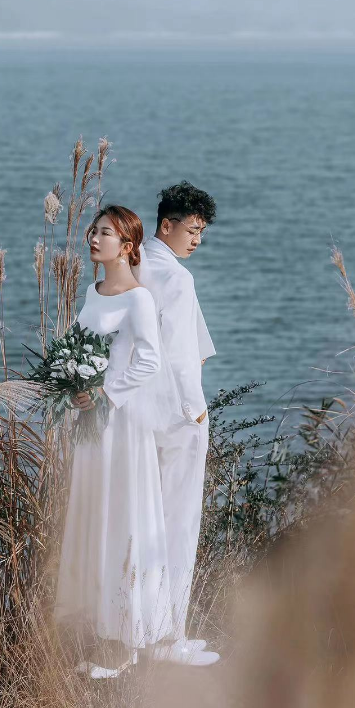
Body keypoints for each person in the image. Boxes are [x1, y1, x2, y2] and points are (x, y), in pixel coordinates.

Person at [53, 205, 174, 679]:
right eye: (93, 231)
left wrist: (107, 392)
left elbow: (150, 361)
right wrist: (74, 384)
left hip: (121, 424)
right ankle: (102, 629)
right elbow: (78, 346)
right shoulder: (93, 292)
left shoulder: (138, 299)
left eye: (105, 233)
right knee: (94, 510)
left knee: (122, 513)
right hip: (92, 424)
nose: (94, 238)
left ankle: (126, 643)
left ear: (127, 246)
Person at [134, 181, 221, 666]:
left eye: (201, 232)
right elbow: (188, 356)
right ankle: (171, 638)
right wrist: (195, 410)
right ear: (167, 225)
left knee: (143, 521)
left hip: (138, 416)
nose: (197, 240)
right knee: (180, 523)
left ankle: (143, 632)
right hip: (179, 415)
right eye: (192, 230)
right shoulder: (178, 278)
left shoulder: (130, 263)